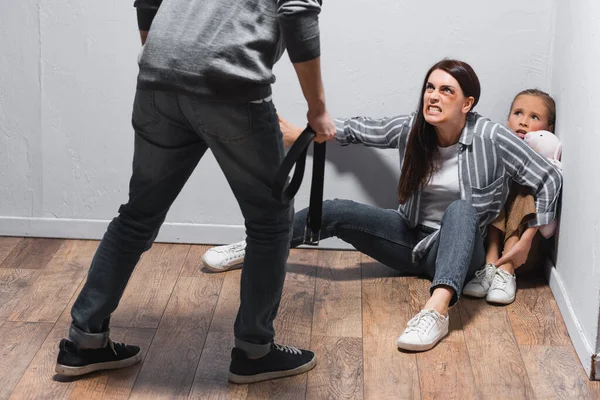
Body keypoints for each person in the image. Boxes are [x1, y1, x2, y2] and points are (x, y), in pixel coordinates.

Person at [54, 0, 336, 384]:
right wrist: (317, 108)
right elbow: (297, 12)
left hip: (158, 75)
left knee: (138, 214)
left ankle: (84, 341)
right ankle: (255, 352)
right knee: (269, 222)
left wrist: (172, 57)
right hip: (229, 81)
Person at [202, 59, 563, 352]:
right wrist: (304, 135)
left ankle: (436, 312)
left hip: (461, 251)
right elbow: (360, 130)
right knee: (335, 209)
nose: (433, 97)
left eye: (446, 90)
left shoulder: (491, 137)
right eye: (430, 88)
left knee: (461, 210)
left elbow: (549, 177)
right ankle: (256, 247)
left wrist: (530, 238)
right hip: (410, 240)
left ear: (467, 104)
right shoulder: (413, 129)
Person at [463, 89, 558, 304]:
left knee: (524, 190)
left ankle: (506, 269)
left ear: (548, 130)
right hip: (490, 244)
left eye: (534, 117)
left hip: (525, 252)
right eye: (518, 113)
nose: (523, 122)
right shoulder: (496, 148)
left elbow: (548, 185)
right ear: (507, 120)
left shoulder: (547, 162)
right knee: (500, 180)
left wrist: (524, 243)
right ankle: (490, 265)